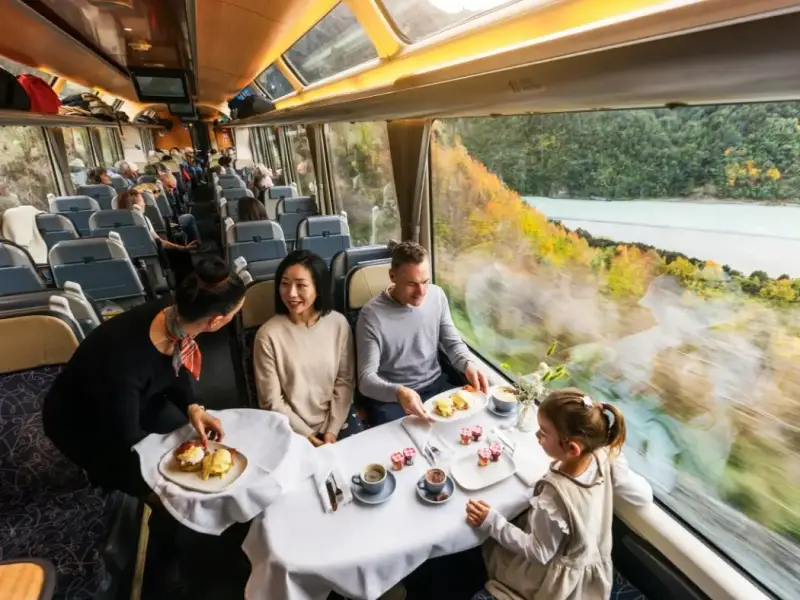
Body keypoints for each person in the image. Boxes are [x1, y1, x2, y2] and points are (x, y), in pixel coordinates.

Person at [43, 258, 246, 498]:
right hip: (85, 424)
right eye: (235, 312)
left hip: (135, 398)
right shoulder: (124, 364)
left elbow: (173, 365)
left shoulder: (181, 314)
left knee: (183, 436)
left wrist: (193, 408)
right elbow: (126, 439)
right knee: (168, 493)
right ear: (216, 321)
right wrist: (174, 469)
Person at [466, 388, 652, 600]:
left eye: (543, 433)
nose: (537, 435)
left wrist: (493, 522)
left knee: (493, 549)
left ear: (573, 449)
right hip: (591, 562)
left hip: (556, 582)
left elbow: (539, 553)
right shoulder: (602, 454)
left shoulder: (554, 498)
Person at [355, 241, 489, 425]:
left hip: (437, 385)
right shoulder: (371, 316)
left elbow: (452, 344)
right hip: (394, 398)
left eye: (426, 281)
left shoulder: (437, 296)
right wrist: (399, 392)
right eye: (412, 284)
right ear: (392, 276)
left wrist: (468, 364)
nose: (421, 291)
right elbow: (366, 380)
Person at [253, 250, 363, 446]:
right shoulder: (267, 335)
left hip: (337, 418)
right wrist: (307, 436)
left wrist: (332, 431)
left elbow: (345, 382)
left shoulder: (338, 324)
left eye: (301, 285)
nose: (291, 293)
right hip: (289, 425)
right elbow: (272, 401)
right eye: (285, 284)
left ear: (318, 288)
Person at [116, 189, 197, 252]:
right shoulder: (144, 221)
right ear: (136, 206)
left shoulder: (115, 224)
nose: (145, 204)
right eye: (142, 201)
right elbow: (160, 242)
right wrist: (183, 248)